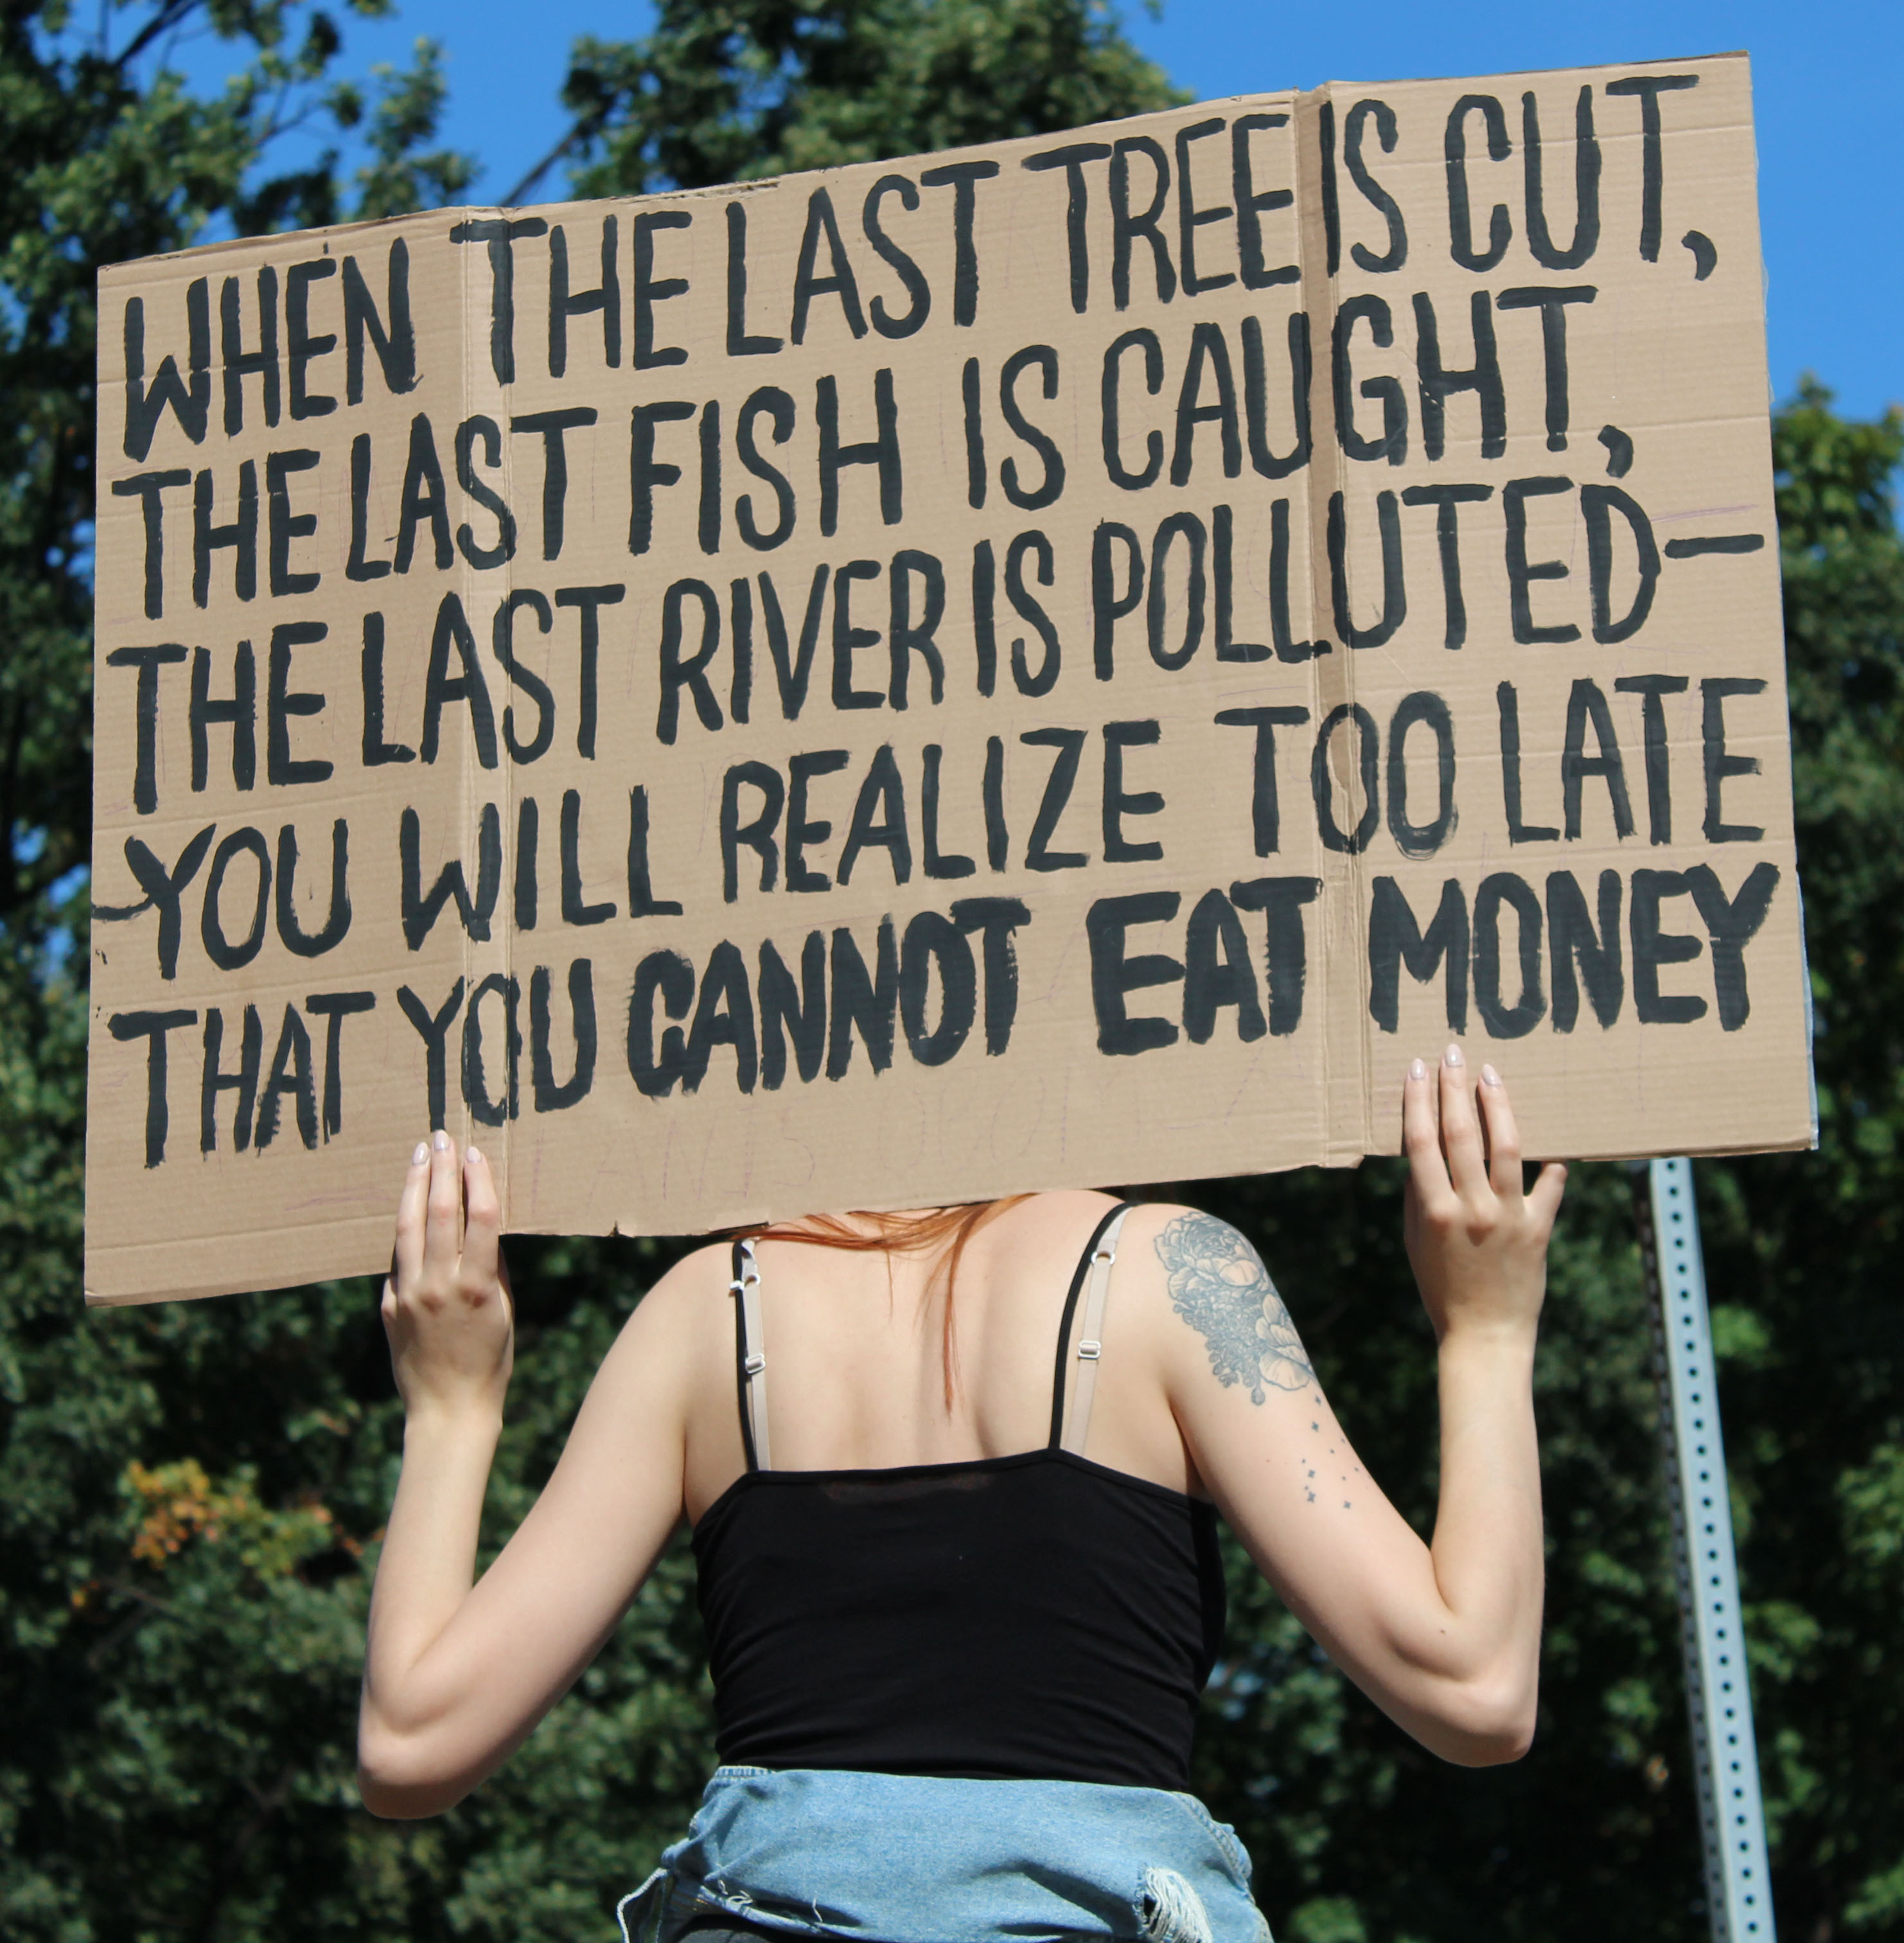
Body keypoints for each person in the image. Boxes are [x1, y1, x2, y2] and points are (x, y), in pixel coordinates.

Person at [358, 1046, 1566, 1943]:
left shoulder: (701, 1317)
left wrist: (453, 1408)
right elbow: (1473, 1685)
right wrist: (1487, 1329)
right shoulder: (1175, 1275)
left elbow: (412, 1743)